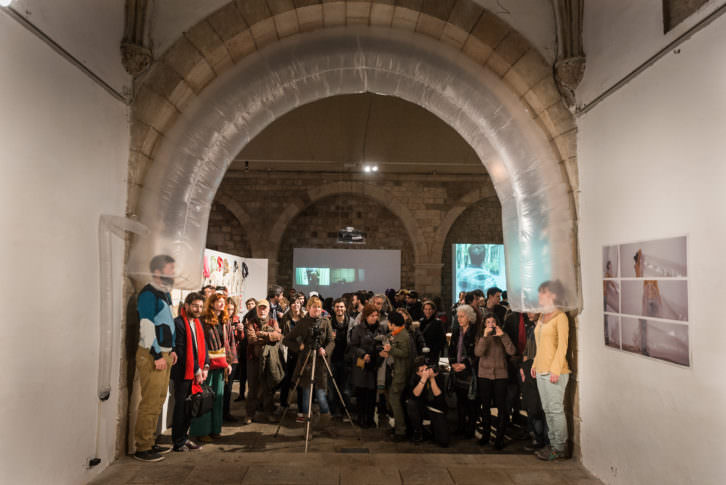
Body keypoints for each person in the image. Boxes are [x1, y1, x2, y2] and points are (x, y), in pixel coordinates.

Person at [134, 254, 177, 462]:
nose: (173, 273)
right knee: (150, 402)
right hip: (153, 355)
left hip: (165, 353)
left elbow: (167, 322)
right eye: (170, 269)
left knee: (159, 399)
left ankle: (150, 441)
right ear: (158, 272)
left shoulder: (163, 294)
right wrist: (157, 354)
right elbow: (147, 326)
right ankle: (142, 447)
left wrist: (173, 349)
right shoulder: (149, 294)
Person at [531, 280, 571, 461]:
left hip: (555, 371)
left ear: (553, 295)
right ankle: (552, 443)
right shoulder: (542, 316)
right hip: (541, 369)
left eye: (543, 293)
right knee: (547, 409)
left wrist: (555, 370)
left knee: (555, 410)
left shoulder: (560, 317)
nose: (539, 296)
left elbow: (562, 346)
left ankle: (560, 447)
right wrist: (534, 364)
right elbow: (540, 345)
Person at [283, 296, 335, 429]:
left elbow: (331, 341)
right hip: (306, 364)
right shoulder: (303, 323)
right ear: (308, 308)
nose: (316, 309)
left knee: (321, 396)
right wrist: (299, 347)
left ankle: (324, 424)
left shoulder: (325, 322)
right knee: (306, 396)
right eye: (314, 306)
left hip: (321, 364)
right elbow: (287, 339)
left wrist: (325, 350)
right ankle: (308, 427)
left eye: (319, 306)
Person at [190, 293, 231, 442]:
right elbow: (200, 344)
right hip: (206, 364)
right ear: (211, 303)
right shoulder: (203, 321)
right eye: (218, 301)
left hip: (220, 364)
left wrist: (229, 363)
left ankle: (215, 429)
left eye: (223, 301)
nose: (221, 304)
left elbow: (227, 343)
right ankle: (202, 431)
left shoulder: (225, 321)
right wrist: (202, 366)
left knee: (218, 398)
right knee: (204, 398)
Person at [171, 292, 208, 452]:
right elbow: (182, 350)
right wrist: (196, 370)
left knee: (189, 407)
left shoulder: (198, 323)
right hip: (183, 373)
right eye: (195, 306)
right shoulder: (179, 323)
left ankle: (184, 437)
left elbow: (203, 347)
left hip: (197, 372)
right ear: (186, 306)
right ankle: (178, 441)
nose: (198, 309)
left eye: (200, 306)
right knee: (181, 407)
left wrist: (205, 365)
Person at [474, 312, 516, 449]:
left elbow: (511, 351)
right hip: (484, 375)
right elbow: (478, 353)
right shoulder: (481, 336)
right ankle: (486, 435)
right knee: (485, 406)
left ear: (497, 323)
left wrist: (502, 336)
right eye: (488, 322)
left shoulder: (503, 335)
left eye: (493, 322)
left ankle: (500, 438)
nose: (491, 325)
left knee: (501, 407)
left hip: (500, 375)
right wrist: (485, 337)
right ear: (484, 325)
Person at [349, 303, 387, 428]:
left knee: (372, 393)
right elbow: (353, 347)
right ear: (366, 316)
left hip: (375, 364)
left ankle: (370, 418)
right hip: (362, 364)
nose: (374, 318)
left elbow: (382, 342)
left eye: (376, 316)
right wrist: (363, 354)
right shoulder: (358, 329)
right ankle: (361, 418)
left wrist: (381, 350)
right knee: (362, 393)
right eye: (371, 315)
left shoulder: (380, 328)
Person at [244, 299, 282, 424]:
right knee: (253, 388)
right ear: (257, 309)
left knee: (268, 388)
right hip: (253, 360)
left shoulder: (273, 321)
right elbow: (251, 339)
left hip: (268, 360)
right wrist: (268, 337)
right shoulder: (251, 322)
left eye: (265, 308)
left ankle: (269, 413)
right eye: (260, 308)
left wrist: (262, 334)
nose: (262, 310)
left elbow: (278, 336)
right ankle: (249, 414)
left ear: (268, 309)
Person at [449, 304, 479, 439]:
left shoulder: (474, 333)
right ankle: (460, 427)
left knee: (471, 402)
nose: (459, 319)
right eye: (458, 317)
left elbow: (476, 353)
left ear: (469, 317)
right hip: (457, 370)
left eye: (462, 316)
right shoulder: (456, 331)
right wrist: (453, 363)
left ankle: (470, 429)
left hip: (470, 371)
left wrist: (465, 365)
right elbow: (451, 350)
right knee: (460, 401)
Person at [519, 312, 547, 451]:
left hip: (538, 370)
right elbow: (527, 351)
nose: (529, 313)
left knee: (537, 407)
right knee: (531, 405)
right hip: (528, 369)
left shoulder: (544, 328)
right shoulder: (531, 328)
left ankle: (540, 440)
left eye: (532, 309)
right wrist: (523, 367)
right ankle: (535, 436)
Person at [407, 357, 449, 446]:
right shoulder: (415, 379)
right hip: (422, 407)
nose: (426, 372)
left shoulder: (437, 376)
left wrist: (432, 379)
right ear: (418, 373)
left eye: (426, 369)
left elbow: (438, 395)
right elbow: (415, 395)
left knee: (443, 442)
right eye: (422, 371)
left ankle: (433, 431)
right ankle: (418, 431)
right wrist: (423, 379)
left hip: (436, 408)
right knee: (411, 404)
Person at [387, 311, 414, 441]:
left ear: (392, 324)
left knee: (394, 399)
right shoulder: (400, 334)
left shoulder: (403, 336)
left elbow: (405, 353)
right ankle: (400, 426)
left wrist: (389, 349)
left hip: (401, 373)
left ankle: (401, 430)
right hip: (400, 371)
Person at [279, 294, 305, 420]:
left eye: (298, 303)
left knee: (301, 381)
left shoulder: (305, 318)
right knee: (287, 378)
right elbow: (284, 338)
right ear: (290, 306)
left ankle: (301, 409)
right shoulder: (285, 319)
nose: (296, 305)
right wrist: (295, 347)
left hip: (303, 354)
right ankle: (283, 404)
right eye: (293, 303)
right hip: (290, 353)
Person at [329, 298, 352, 418]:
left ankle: (345, 412)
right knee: (332, 387)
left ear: (345, 308)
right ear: (333, 308)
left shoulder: (351, 323)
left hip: (346, 360)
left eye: (341, 306)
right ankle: (334, 411)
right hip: (332, 359)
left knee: (345, 388)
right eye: (337, 306)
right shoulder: (328, 322)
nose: (339, 309)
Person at [222, 298, 239, 422]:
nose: (230, 311)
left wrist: (240, 330)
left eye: (232, 309)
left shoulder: (234, 320)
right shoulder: (223, 321)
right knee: (222, 388)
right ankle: (221, 414)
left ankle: (225, 413)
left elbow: (238, 340)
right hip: (224, 359)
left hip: (233, 358)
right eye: (228, 309)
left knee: (228, 389)